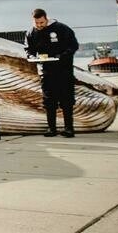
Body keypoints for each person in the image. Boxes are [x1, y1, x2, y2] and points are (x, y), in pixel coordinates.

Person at [24, 8, 79, 138]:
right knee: (49, 101)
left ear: (46, 18)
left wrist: (63, 56)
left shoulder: (61, 28)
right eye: (37, 23)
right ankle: (51, 128)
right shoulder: (31, 32)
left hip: (63, 70)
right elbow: (28, 48)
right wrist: (31, 56)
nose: (39, 25)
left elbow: (73, 45)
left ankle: (69, 128)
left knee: (66, 99)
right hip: (45, 71)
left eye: (41, 22)